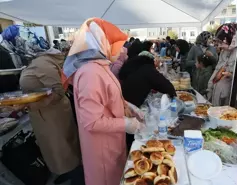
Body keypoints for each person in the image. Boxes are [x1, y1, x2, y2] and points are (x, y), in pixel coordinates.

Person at [63, 18, 143, 185]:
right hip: (102, 148)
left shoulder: (101, 66)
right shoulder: (90, 73)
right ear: (100, 42)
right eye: (114, 43)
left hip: (113, 141)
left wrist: (129, 106)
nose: (120, 49)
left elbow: (109, 96)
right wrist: (126, 124)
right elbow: (91, 122)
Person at [19, 48, 84, 185]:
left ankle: (76, 176)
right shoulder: (40, 63)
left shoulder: (43, 64)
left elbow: (58, 92)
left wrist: (31, 105)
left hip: (53, 115)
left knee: (63, 147)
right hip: (44, 114)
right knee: (56, 148)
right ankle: (68, 172)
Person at [119, 50, 176, 150]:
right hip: (130, 108)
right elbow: (169, 88)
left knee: (127, 136)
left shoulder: (135, 67)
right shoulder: (148, 69)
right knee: (133, 138)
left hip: (124, 104)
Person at [207, 23, 237, 106]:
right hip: (216, 95)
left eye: (222, 42)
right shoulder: (224, 52)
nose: (220, 46)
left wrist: (231, 75)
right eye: (219, 42)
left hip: (229, 100)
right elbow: (217, 70)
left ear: (232, 39)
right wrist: (210, 86)